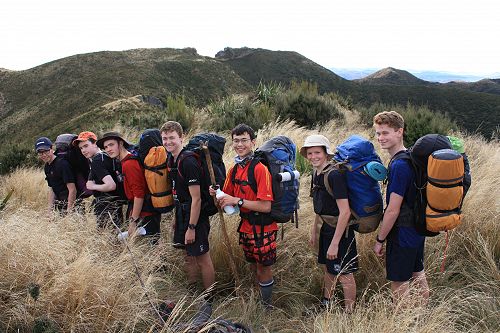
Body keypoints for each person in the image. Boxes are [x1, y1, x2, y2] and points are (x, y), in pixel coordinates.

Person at [211, 123, 276, 307]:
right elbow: (225, 199)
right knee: (253, 265)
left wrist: (237, 201)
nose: (240, 144)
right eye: (236, 141)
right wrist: (217, 194)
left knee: (263, 267)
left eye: (244, 140)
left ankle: (266, 306)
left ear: (253, 142)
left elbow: (266, 206)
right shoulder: (234, 169)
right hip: (246, 226)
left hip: (263, 227)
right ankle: (258, 297)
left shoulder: (259, 169)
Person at [373, 111, 430, 305]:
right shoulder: (411, 158)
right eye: (378, 133)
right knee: (417, 272)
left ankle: (402, 321)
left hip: (402, 231)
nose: (381, 138)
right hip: (417, 228)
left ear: (400, 132)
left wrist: (380, 239)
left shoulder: (399, 166)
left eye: (386, 133)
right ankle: (423, 315)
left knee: (399, 281)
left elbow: (393, 210)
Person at [301, 134, 358, 312]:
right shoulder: (316, 172)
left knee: (345, 273)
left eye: (317, 152)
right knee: (329, 268)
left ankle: (350, 313)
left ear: (326, 153)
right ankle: (326, 304)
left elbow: (345, 212)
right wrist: (314, 232)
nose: (313, 157)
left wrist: (334, 243)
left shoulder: (334, 175)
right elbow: (320, 207)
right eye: (309, 153)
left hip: (340, 232)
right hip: (325, 227)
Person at [161, 121, 216, 298]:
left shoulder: (189, 162)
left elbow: (197, 198)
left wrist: (191, 227)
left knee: (202, 257)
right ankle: (193, 292)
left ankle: (209, 297)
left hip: (195, 215)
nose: (168, 142)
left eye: (172, 138)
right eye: (164, 138)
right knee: (188, 255)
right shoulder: (171, 159)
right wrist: (178, 220)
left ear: (181, 137)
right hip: (182, 212)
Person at [97, 132, 161, 242]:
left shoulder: (129, 164)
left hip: (145, 214)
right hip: (144, 212)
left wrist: (133, 221)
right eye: (106, 147)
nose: (108, 149)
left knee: (149, 251)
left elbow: (139, 195)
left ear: (120, 143)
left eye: (111, 145)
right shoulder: (125, 161)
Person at [73, 131, 124, 228]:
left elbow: (111, 185)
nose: (83, 150)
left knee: (109, 238)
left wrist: (93, 186)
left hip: (107, 205)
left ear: (95, 144)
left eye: (86, 146)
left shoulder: (97, 161)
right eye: (81, 148)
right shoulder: (105, 156)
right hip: (114, 203)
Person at [35, 137, 77, 214]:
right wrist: (49, 211)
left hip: (73, 206)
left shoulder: (62, 164)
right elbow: (52, 189)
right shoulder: (47, 166)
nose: (44, 155)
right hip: (59, 205)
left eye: (46, 151)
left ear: (51, 149)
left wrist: (69, 211)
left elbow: (72, 189)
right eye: (40, 153)